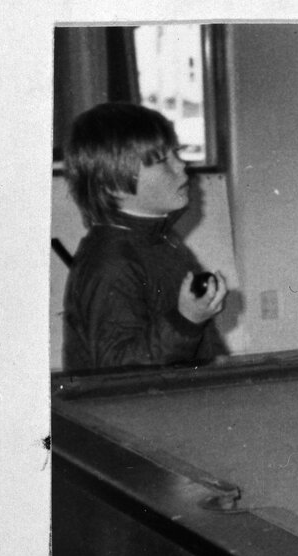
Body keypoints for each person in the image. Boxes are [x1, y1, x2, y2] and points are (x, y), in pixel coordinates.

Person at [62, 102, 228, 371]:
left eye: (176, 152)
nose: (182, 164)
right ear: (114, 184)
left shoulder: (159, 239)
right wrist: (186, 320)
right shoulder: (111, 263)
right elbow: (117, 366)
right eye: (163, 161)